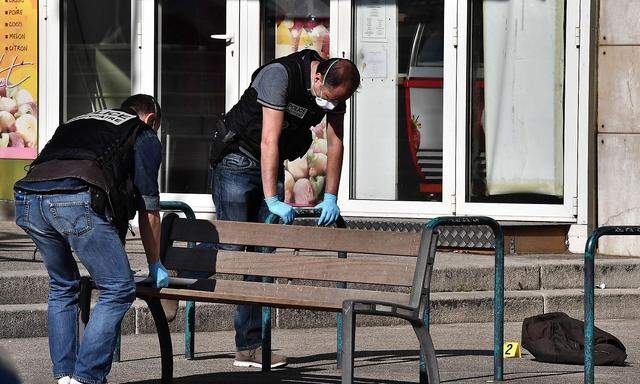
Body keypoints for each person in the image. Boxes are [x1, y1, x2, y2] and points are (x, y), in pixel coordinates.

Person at [209, 49, 361, 368]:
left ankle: (249, 347)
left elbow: (336, 144)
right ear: (317, 77)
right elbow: (269, 139)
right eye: (327, 99)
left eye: (337, 103)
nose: (330, 107)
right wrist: (272, 199)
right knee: (233, 247)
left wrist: (331, 196)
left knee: (262, 258)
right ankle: (182, 267)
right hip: (237, 158)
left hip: (269, 165)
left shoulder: (335, 91)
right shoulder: (281, 75)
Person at [13, 95, 170, 384]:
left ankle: (65, 377)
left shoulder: (80, 120)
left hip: (28, 199)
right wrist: (154, 262)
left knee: (62, 286)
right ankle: (87, 378)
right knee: (119, 289)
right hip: (75, 199)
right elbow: (149, 207)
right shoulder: (141, 131)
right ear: (151, 118)